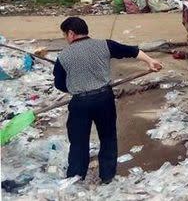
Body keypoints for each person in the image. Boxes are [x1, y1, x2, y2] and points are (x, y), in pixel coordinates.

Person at [53, 16, 163, 183]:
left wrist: (76, 85)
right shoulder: (105, 45)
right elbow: (131, 51)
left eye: (65, 35)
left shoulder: (63, 56)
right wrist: (150, 61)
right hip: (104, 99)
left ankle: (76, 177)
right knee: (108, 137)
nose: (66, 39)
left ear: (71, 33)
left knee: (78, 141)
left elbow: (59, 84)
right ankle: (107, 177)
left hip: (80, 103)